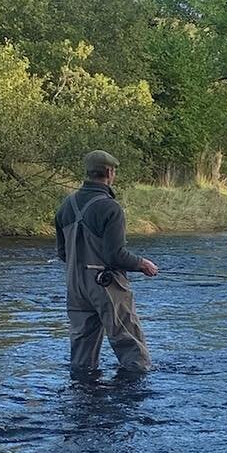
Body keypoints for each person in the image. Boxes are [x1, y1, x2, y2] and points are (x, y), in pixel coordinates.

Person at [54, 151, 158, 375]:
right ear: (110, 172)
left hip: (75, 286)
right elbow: (115, 256)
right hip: (106, 284)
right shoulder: (111, 208)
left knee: (82, 356)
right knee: (131, 346)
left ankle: (83, 400)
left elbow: (63, 253)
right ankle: (133, 400)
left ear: (88, 172)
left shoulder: (65, 206)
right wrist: (142, 264)